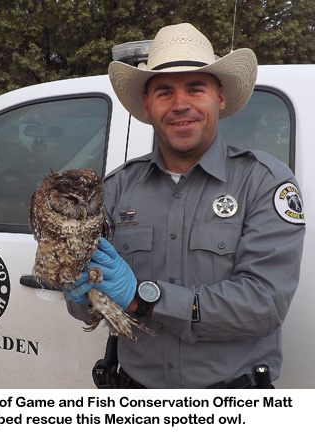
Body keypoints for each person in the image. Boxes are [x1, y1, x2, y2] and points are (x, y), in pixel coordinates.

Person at [65, 23, 305, 388]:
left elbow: (263, 305)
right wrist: (80, 293)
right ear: (147, 106)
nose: (180, 105)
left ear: (219, 98)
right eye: (164, 92)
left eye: (196, 88)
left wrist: (145, 299)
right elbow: (88, 307)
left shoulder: (264, 182)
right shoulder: (115, 189)